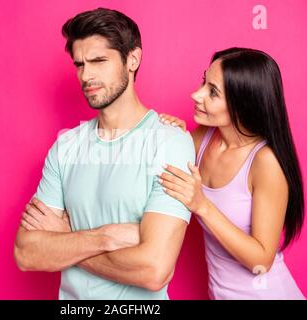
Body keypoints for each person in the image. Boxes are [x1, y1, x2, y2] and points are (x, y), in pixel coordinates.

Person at [13, 8, 196, 299]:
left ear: (132, 60)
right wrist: (106, 237)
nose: (86, 75)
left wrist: (65, 240)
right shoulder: (66, 146)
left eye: (99, 61)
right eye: (79, 64)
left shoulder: (170, 142)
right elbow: (27, 253)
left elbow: (153, 270)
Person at [158, 47, 305, 299]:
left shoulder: (265, 162)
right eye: (204, 81)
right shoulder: (203, 139)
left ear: (243, 104)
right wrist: (171, 134)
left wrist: (202, 206)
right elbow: (160, 163)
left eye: (212, 92)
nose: (196, 94)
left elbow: (261, 260)